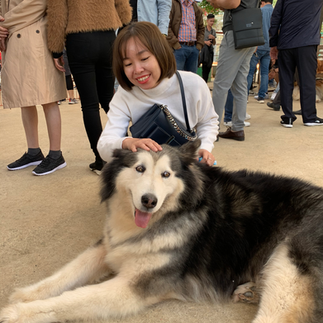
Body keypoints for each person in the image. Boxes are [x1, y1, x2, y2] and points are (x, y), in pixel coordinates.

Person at [97, 22, 218, 167]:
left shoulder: (193, 84)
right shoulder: (125, 94)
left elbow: (208, 121)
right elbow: (104, 145)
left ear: (161, 53)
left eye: (144, 59)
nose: (137, 69)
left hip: (186, 165)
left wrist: (204, 147)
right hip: (148, 169)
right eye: (128, 64)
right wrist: (128, 142)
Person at [46, 0, 132, 174]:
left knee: (90, 105)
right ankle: (128, 151)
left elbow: (57, 15)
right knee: (109, 99)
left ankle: (101, 159)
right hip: (108, 37)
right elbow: (124, 12)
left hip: (79, 40)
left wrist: (55, 50)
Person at [0, 0, 67, 176]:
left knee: (48, 98)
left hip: (36, 40)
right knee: (25, 98)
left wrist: (3, 23)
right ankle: (33, 151)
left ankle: (55, 154)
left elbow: (37, 4)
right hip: (13, 40)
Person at [209, 0, 257, 141]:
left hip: (235, 32)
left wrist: (216, 2)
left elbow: (233, 2)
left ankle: (212, 128)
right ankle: (237, 128)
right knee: (240, 84)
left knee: (221, 84)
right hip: (250, 33)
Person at [270, 0, 323, 127]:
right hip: (307, 43)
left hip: (285, 43)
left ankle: (287, 117)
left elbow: (275, 17)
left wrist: (273, 43)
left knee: (286, 80)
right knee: (307, 81)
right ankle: (309, 117)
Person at [246, 0, 273, 103]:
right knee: (265, 72)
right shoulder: (275, 12)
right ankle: (262, 96)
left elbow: (254, 27)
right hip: (269, 47)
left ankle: (245, 96)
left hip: (258, 45)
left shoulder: (260, 11)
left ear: (262, 1)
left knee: (250, 72)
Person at [167, 0, 204, 73]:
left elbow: (201, 28)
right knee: (177, 78)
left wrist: (199, 45)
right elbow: (166, 26)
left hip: (194, 48)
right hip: (178, 48)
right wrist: (175, 44)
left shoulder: (195, 7)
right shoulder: (173, 4)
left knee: (192, 79)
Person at [200, 13, 217, 83]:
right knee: (201, 66)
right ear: (207, 21)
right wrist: (205, 42)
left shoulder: (213, 31)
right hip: (203, 50)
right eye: (211, 21)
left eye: (213, 21)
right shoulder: (203, 30)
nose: (212, 23)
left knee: (208, 68)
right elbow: (199, 40)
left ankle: (205, 83)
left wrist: (213, 38)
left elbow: (214, 43)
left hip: (210, 51)